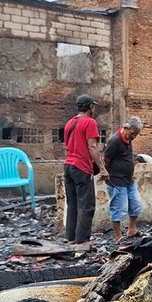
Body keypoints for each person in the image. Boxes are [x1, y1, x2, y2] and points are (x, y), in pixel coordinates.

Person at [63, 94, 109, 243]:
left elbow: (67, 146)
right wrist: (102, 168)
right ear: (90, 107)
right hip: (81, 167)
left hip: (68, 166)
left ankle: (71, 238)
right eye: (93, 106)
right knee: (87, 205)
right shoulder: (90, 122)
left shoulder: (70, 123)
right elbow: (92, 147)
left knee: (73, 204)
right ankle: (81, 241)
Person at [104, 117, 143, 242]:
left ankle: (132, 229)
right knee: (118, 208)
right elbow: (106, 159)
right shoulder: (115, 141)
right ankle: (118, 236)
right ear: (126, 128)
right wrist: (106, 173)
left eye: (136, 134)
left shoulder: (128, 139)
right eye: (132, 134)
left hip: (128, 180)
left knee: (136, 204)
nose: (134, 137)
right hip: (116, 180)